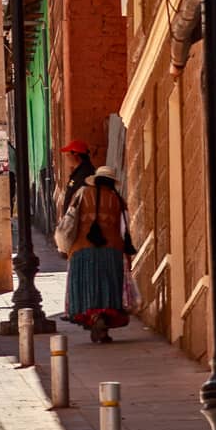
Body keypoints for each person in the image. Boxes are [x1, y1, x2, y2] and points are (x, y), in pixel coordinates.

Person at [64, 166, 135, 343]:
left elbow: (69, 217)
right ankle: (103, 323)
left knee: (87, 286)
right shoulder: (117, 199)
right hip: (112, 250)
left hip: (83, 249)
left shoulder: (82, 193)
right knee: (107, 286)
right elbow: (123, 229)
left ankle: (94, 318)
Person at [59, 139, 95, 212]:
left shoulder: (85, 173)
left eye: (68, 155)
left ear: (76, 155)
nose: (67, 158)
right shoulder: (79, 172)